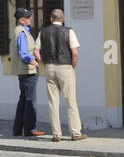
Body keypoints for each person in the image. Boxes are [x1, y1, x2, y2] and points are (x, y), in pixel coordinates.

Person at [37, 8, 87, 142]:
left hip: (50, 67)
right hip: (65, 66)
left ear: (51, 19)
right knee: (71, 101)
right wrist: (72, 66)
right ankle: (75, 133)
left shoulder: (43, 32)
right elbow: (75, 53)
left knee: (53, 102)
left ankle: (56, 134)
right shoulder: (68, 31)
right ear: (63, 19)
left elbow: (36, 51)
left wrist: (43, 63)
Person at [12, 8, 45, 138]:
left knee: (24, 100)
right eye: (28, 17)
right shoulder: (21, 32)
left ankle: (18, 129)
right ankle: (30, 129)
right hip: (28, 71)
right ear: (21, 20)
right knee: (31, 100)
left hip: (24, 71)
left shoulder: (21, 31)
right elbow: (23, 52)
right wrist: (33, 62)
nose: (30, 19)